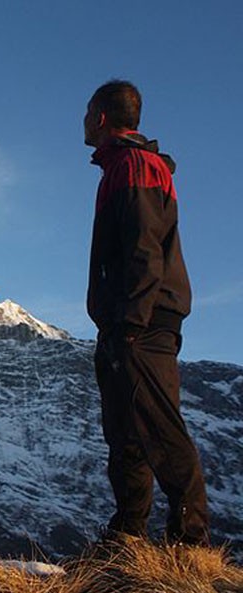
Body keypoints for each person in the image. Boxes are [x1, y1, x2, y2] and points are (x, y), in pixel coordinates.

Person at [84, 80, 209, 546]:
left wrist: (130, 323)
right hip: (130, 320)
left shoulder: (136, 166)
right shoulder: (122, 166)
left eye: (86, 111)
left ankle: (191, 541)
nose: (82, 121)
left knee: (158, 425)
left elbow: (143, 248)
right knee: (125, 431)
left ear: (100, 118)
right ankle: (128, 537)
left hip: (144, 321)